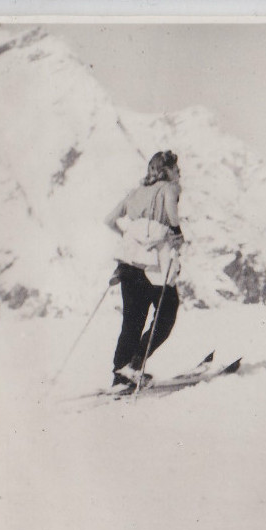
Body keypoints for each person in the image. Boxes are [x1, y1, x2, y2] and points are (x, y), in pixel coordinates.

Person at [103, 150, 185, 389]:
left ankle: (121, 374)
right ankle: (136, 363)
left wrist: (127, 235)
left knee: (132, 320)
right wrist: (177, 231)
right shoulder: (170, 188)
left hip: (128, 261)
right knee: (166, 313)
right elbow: (170, 209)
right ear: (166, 170)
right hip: (154, 263)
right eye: (176, 168)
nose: (179, 172)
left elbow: (109, 219)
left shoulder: (135, 192)